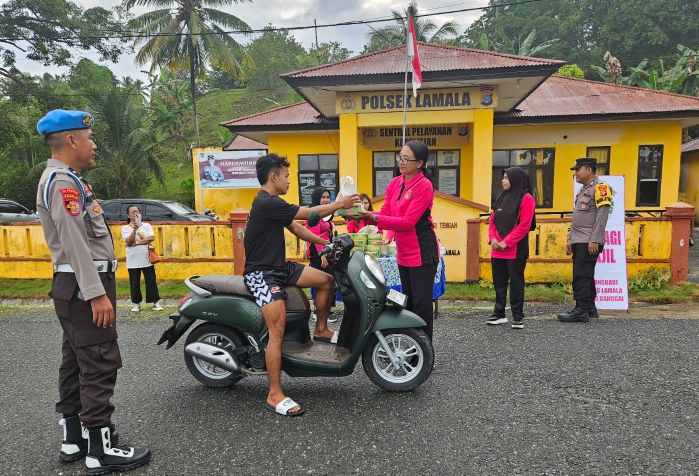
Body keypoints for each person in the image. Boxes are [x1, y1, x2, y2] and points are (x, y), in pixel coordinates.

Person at [35, 110, 150, 473]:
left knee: (75, 361)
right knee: (100, 362)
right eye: (89, 138)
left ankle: (73, 438)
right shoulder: (63, 182)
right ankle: (100, 450)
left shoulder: (66, 178)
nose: (94, 145)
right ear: (71, 140)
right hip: (85, 285)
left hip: (74, 285)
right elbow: (74, 241)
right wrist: (95, 293)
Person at [243, 153, 359, 416]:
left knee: (326, 281)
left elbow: (296, 228)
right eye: (286, 176)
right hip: (261, 274)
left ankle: (321, 330)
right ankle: (274, 394)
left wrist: (326, 243)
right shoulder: (266, 202)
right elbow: (310, 214)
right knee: (278, 328)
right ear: (273, 177)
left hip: (280, 268)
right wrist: (339, 204)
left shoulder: (272, 204)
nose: (288, 181)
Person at [358, 141, 440, 342]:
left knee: (421, 305)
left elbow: (408, 221)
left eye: (406, 159)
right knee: (408, 302)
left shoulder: (424, 185)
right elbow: (386, 212)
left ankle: (424, 350)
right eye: (400, 157)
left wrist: (373, 218)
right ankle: (411, 345)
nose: (401, 162)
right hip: (404, 252)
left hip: (422, 251)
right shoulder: (395, 183)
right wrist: (363, 216)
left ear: (419, 163)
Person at [558, 157, 612, 323]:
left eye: (578, 170)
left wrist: (595, 240)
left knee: (581, 275)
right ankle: (589, 308)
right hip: (579, 239)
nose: (575, 173)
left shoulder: (601, 187)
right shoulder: (583, 190)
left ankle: (580, 310)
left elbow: (602, 216)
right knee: (584, 274)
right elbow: (577, 217)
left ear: (588, 170)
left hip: (589, 240)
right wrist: (570, 238)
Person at [486, 166, 536, 329]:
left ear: (515, 179)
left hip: (515, 250)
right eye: (503, 177)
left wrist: (506, 242)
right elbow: (492, 222)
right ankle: (499, 314)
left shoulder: (526, 198)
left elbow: (524, 226)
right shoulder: (501, 198)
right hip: (497, 250)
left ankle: (517, 316)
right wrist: (493, 239)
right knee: (499, 283)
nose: (503, 180)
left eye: (506, 178)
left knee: (516, 283)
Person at [305, 186, 338, 323]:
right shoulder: (313, 214)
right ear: (317, 198)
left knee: (328, 280)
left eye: (328, 197)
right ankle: (318, 312)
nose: (326, 200)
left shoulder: (326, 213)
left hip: (327, 250)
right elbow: (314, 236)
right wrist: (322, 255)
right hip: (318, 252)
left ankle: (326, 309)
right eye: (323, 197)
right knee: (321, 282)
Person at [121, 205, 162, 312]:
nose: (135, 213)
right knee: (134, 282)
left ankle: (155, 302)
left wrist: (137, 243)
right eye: (133, 212)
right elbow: (128, 242)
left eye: (137, 211)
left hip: (146, 258)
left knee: (151, 281)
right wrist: (134, 230)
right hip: (133, 260)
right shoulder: (125, 228)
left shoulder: (146, 226)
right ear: (128, 215)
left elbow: (151, 238)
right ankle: (136, 303)